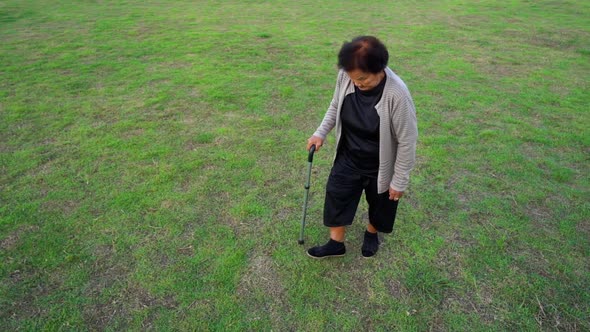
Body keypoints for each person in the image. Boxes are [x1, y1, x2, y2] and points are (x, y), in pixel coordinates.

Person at [306, 36, 418, 258]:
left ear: (380, 69)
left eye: (363, 78)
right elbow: (335, 105)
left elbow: (407, 141)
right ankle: (336, 243)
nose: (357, 83)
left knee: (379, 204)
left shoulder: (397, 94)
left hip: (380, 163)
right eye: (352, 77)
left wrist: (400, 180)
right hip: (349, 155)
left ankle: (371, 233)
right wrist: (320, 132)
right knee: (337, 194)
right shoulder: (346, 76)